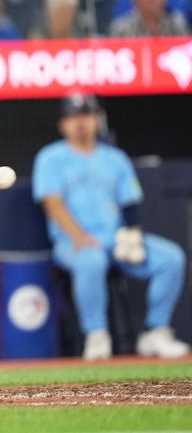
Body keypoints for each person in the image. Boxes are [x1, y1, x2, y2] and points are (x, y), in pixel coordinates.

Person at [32, 94, 190, 360]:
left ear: (97, 120)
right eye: (73, 117)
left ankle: (156, 331)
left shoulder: (115, 158)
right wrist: (79, 236)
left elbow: (130, 202)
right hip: (72, 242)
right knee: (90, 261)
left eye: (86, 115)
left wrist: (133, 234)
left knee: (171, 258)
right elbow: (52, 203)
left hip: (115, 240)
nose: (81, 123)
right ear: (63, 124)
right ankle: (97, 336)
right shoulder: (51, 157)